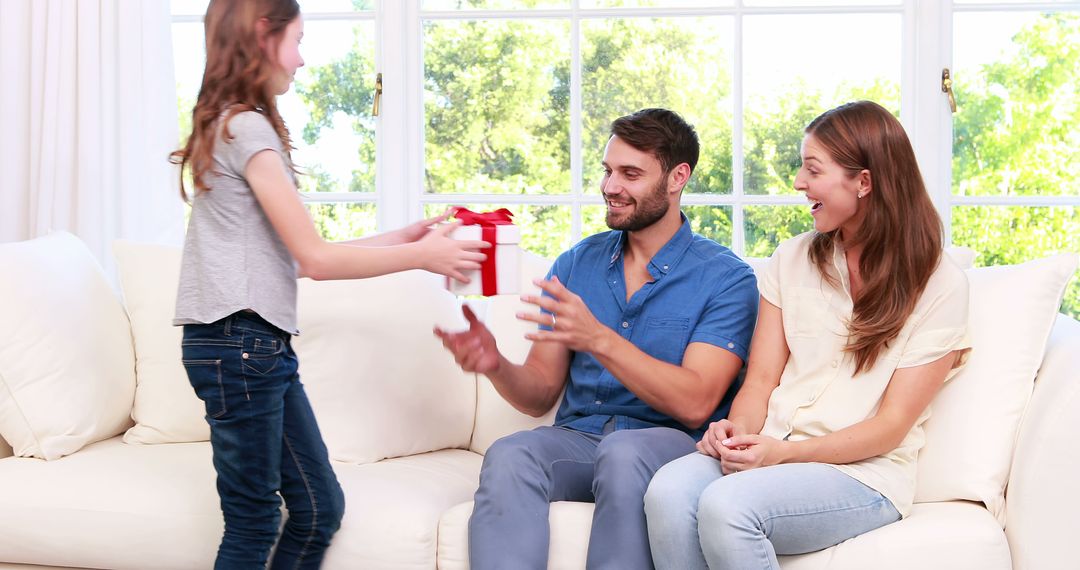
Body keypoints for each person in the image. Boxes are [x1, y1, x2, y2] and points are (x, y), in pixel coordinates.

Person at [169, 1, 488, 568]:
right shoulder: (247, 127)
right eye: (296, 40)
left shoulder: (230, 124)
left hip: (251, 345)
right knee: (255, 521)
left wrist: (403, 239)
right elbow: (315, 259)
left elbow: (289, 259)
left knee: (318, 510)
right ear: (263, 38)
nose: (302, 59)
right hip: (241, 345)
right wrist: (423, 255)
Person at [643, 100, 972, 570]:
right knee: (668, 490)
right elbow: (759, 382)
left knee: (729, 507)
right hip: (774, 443)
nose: (798, 182)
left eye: (812, 169)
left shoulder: (940, 284)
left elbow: (891, 425)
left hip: (863, 474)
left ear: (863, 182)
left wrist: (784, 456)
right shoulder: (791, 258)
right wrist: (736, 434)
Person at [434, 108, 759, 570]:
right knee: (511, 452)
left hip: (670, 445)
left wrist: (599, 338)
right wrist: (495, 364)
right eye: (608, 171)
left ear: (677, 178)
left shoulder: (726, 278)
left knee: (623, 453)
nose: (610, 187)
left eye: (630, 174)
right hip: (582, 440)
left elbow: (695, 403)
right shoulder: (576, 264)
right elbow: (540, 391)